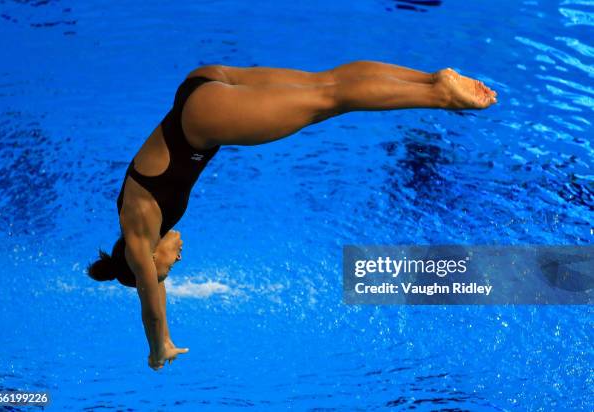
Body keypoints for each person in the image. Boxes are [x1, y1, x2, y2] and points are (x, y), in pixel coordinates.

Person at [87, 61, 497, 370]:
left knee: (330, 99)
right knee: (326, 85)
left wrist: (159, 347)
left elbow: (151, 301)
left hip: (203, 117)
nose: (175, 261)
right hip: (204, 87)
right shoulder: (144, 215)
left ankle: (439, 94)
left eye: (165, 268)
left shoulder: (138, 227)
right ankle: (430, 81)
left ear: (142, 258)